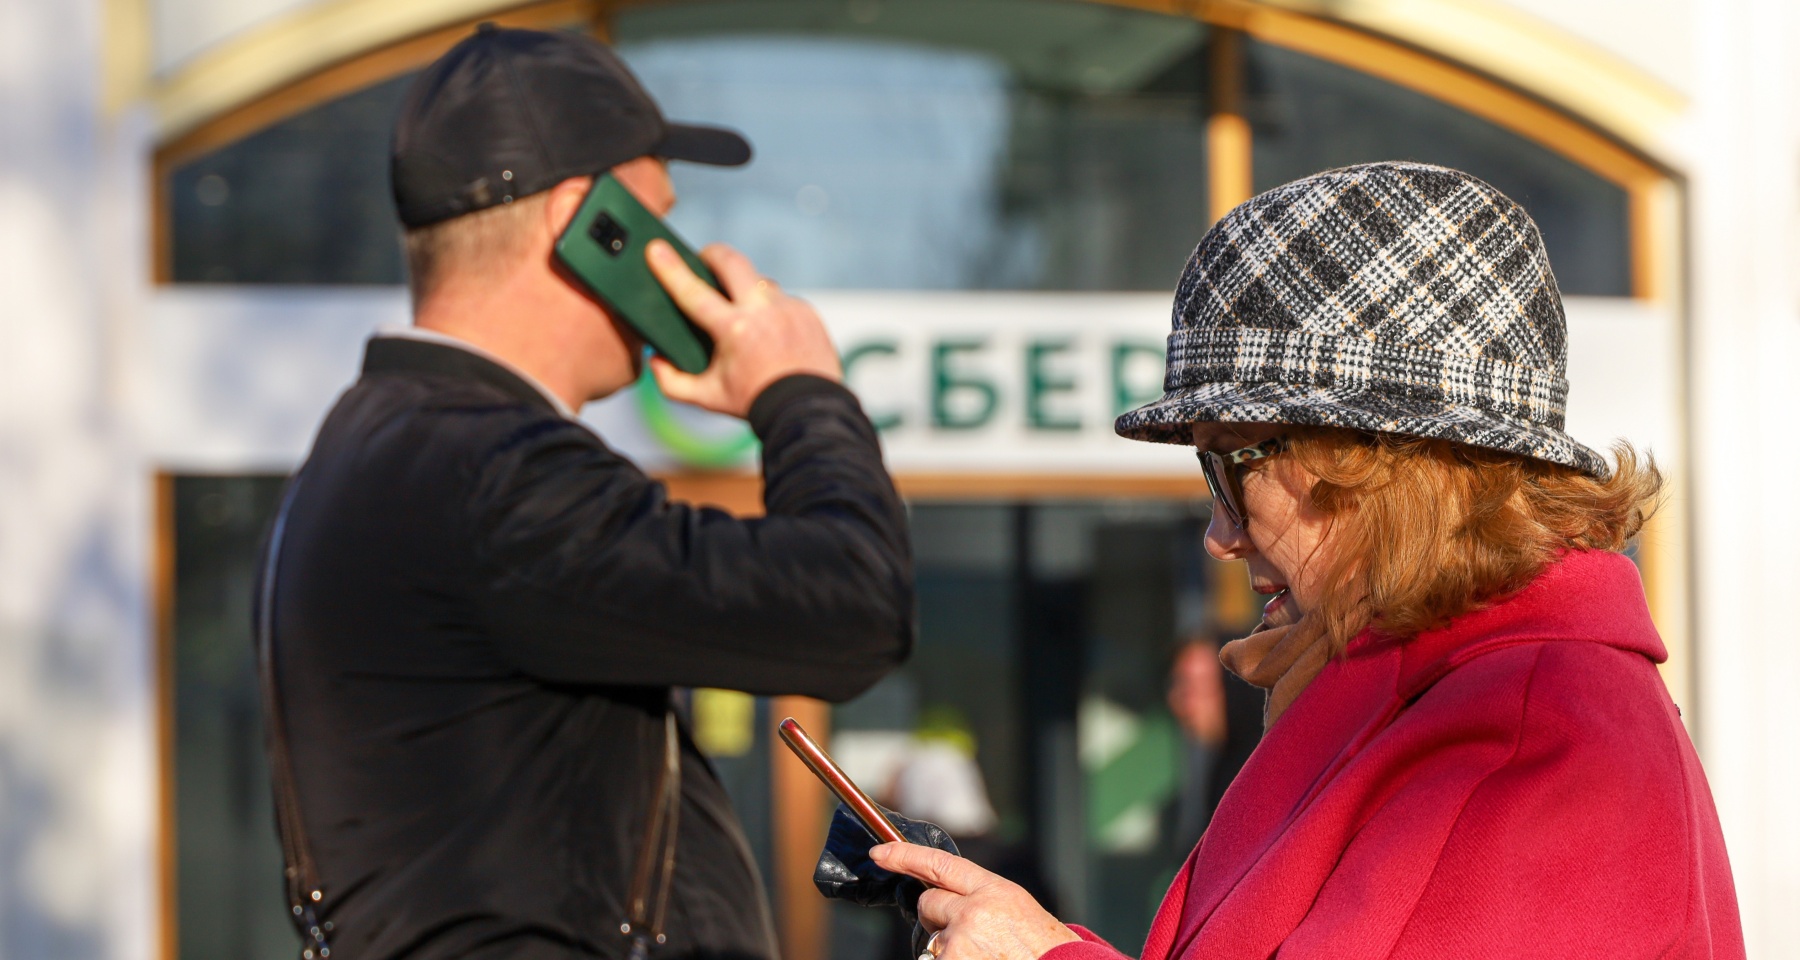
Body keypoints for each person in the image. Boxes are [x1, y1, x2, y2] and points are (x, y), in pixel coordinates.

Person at [856, 163, 1743, 958]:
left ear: (1373, 464)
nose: (1220, 532)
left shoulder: (1527, 730)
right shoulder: (1458, 699)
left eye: (1229, 462)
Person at [258, 26, 913, 960]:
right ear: (586, 223)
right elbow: (854, 606)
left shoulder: (375, 452)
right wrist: (799, 393)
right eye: (657, 216)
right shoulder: (490, 474)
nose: (678, 254)